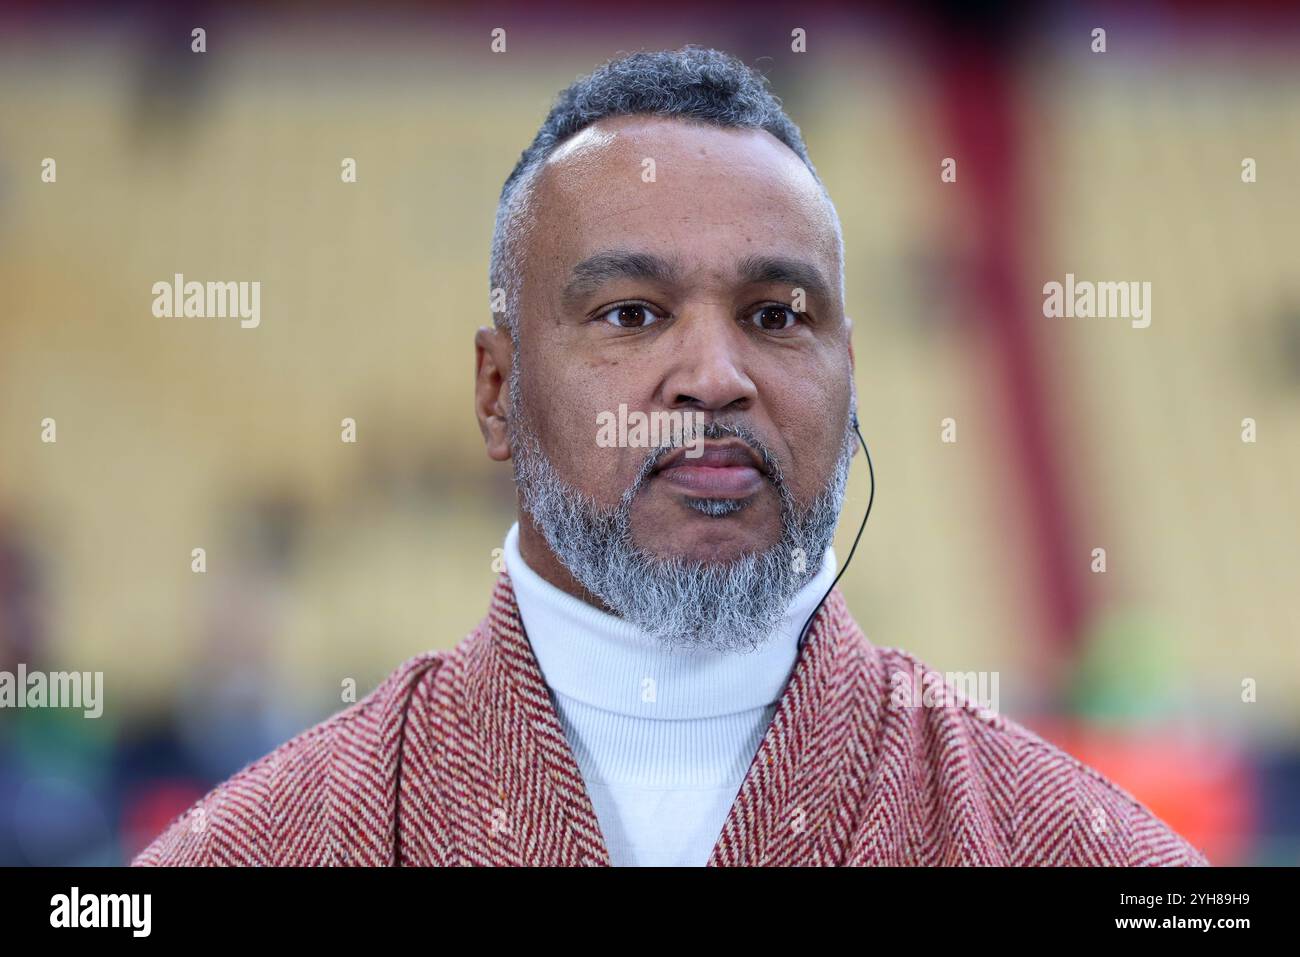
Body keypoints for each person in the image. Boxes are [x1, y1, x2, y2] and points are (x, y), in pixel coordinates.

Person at [135, 46, 1208, 867]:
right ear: (497, 393)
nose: (713, 375)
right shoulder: (255, 848)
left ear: (851, 378)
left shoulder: (1089, 854)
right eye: (633, 312)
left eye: (777, 315)